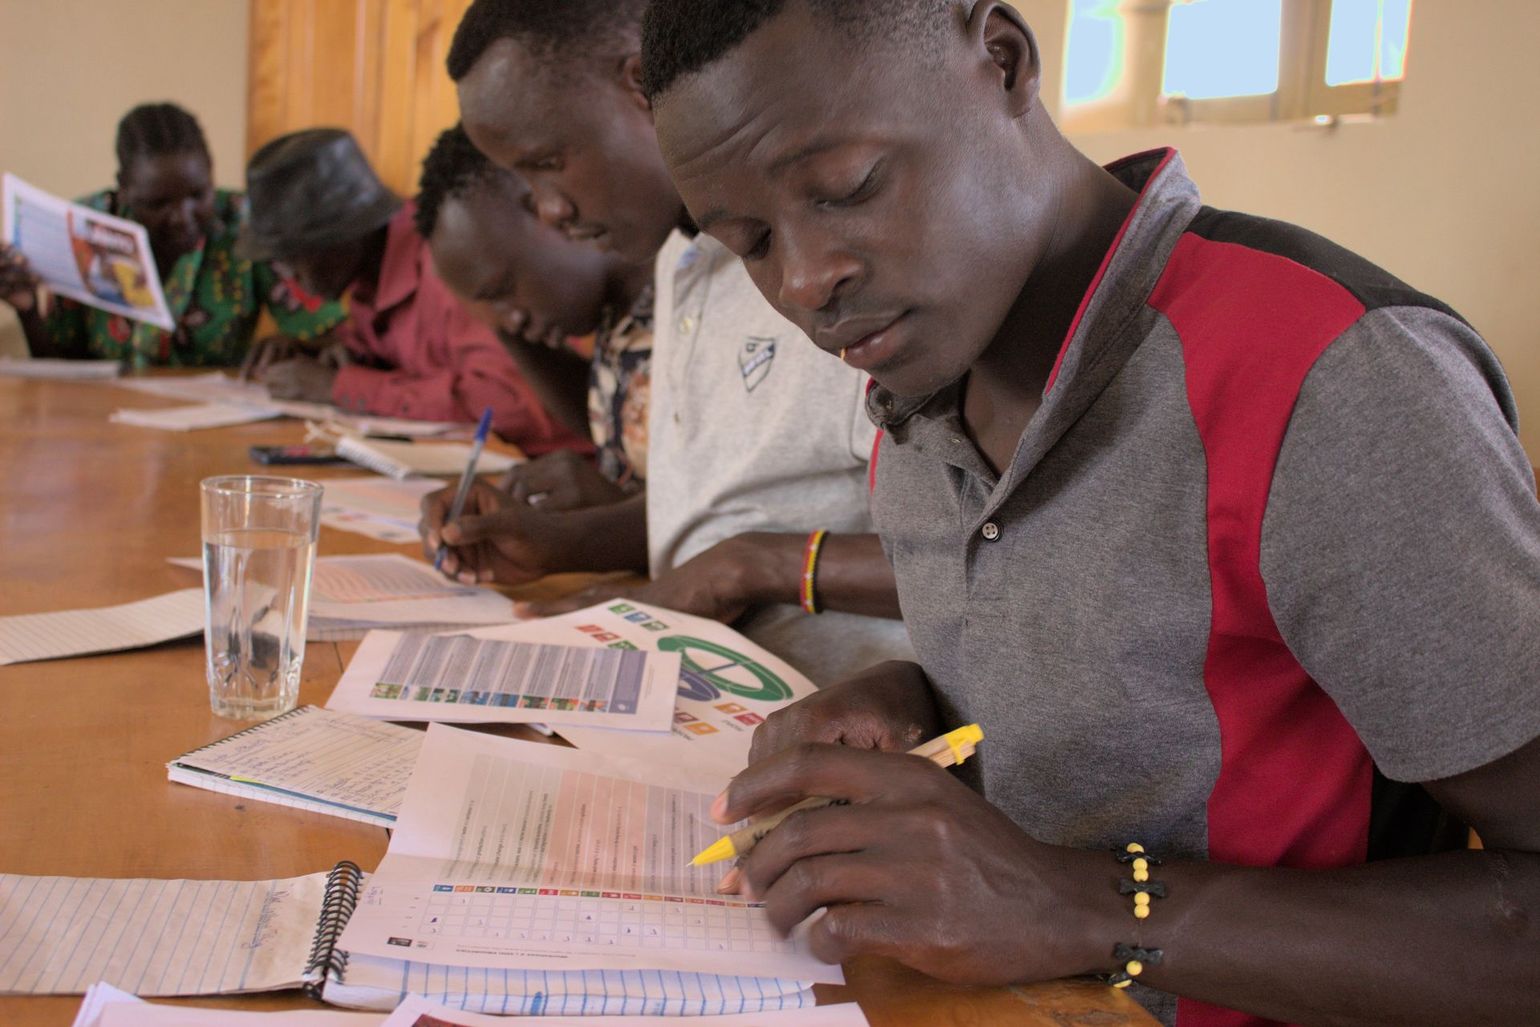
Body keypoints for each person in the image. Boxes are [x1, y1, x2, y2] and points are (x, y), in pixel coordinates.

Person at [640, 1, 1540, 1025]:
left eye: (849, 186)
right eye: (752, 243)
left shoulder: (1330, 379)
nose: (806, 281)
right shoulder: (920, 388)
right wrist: (911, 699)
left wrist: (1079, 904)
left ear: (1003, 60)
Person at [421, 0, 911, 684]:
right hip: (694, 684)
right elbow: (717, 507)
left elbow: (978, 556)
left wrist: (745, 568)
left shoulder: (825, 271)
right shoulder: (679, 259)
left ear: (640, 86)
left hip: (847, 704)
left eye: (548, 162)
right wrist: (561, 544)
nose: (551, 209)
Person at [238, 128, 586, 456]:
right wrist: (326, 352)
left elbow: (509, 404)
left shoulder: (450, 259)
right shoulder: (367, 273)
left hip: (550, 469)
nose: (286, 275)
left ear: (341, 235)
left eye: (289, 256)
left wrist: (337, 387)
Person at [0, 103, 344, 368]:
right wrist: (27, 311)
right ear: (123, 188)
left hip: (213, 421)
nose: (181, 217)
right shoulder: (85, 228)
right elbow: (61, 369)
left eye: (199, 194)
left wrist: (296, 345)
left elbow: (335, 337)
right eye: (157, 203)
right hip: (101, 420)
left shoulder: (245, 226)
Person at [416, 123, 653, 500]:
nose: (511, 319)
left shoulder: (676, 292)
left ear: (542, 207)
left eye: (503, 288)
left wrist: (602, 515)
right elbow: (609, 424)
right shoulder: (615, 311)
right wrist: (507, 327)